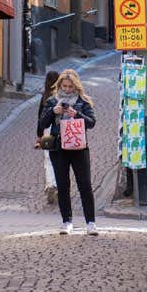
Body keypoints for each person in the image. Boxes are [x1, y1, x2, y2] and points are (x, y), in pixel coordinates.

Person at [37, 69, 98, 235]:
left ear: (76, 86)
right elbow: (42, 123)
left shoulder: (83, 101)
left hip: (79, 147)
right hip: (59, 148)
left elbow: (91, 123)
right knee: (63, 185)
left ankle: (90, 223)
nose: (67, 89)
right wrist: (52, 111)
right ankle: (67, 221)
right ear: (59, 85)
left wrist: (77, 114)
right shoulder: (52, 101)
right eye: (64, 86)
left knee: (85, 184)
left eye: (70, 86)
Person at [39, 70, 60, 203]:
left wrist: (39, 135)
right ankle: (57, 185)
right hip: (58, 130)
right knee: (58, 159)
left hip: (47, 130)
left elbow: (40, 117)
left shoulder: (45, 97)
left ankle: (50, 184)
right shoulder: (61, 96)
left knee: (48, 159)